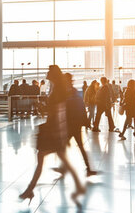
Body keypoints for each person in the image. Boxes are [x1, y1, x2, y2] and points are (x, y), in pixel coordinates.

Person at [19, 65, 86, 203]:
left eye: (49, 71)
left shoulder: (57, 91)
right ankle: (30, 190)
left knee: (42, 157)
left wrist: (42, 107)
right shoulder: (56, 89)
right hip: (55, 130)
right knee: (57, 159)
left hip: (53, 130)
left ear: (54, 74)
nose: (46, 73)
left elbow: (56, 112)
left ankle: (30, 190)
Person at [62, 73, 97, 176]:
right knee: (78, 146)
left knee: (64, 147)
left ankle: (64, 167)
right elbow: (80, 106)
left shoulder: (67, 92)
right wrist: (85, 121)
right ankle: (88, 168)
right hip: (74, 124)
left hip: (71, 124)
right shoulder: (71, 91)